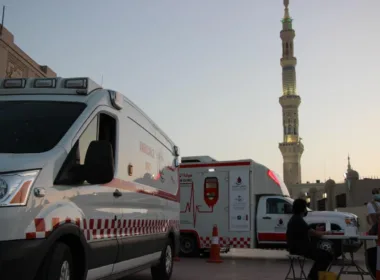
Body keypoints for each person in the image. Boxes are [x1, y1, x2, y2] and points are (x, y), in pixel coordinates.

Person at [286, 198, 333, 280]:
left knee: (324, 255)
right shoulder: (298, 219)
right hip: (300, 249)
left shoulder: (295, 218)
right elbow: (315, 234)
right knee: (326, 255)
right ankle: (312, 277)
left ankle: (313, 276)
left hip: (296, 247)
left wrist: (316, 230)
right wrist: (326, 233)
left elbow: (309, 231)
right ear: (303, 209)